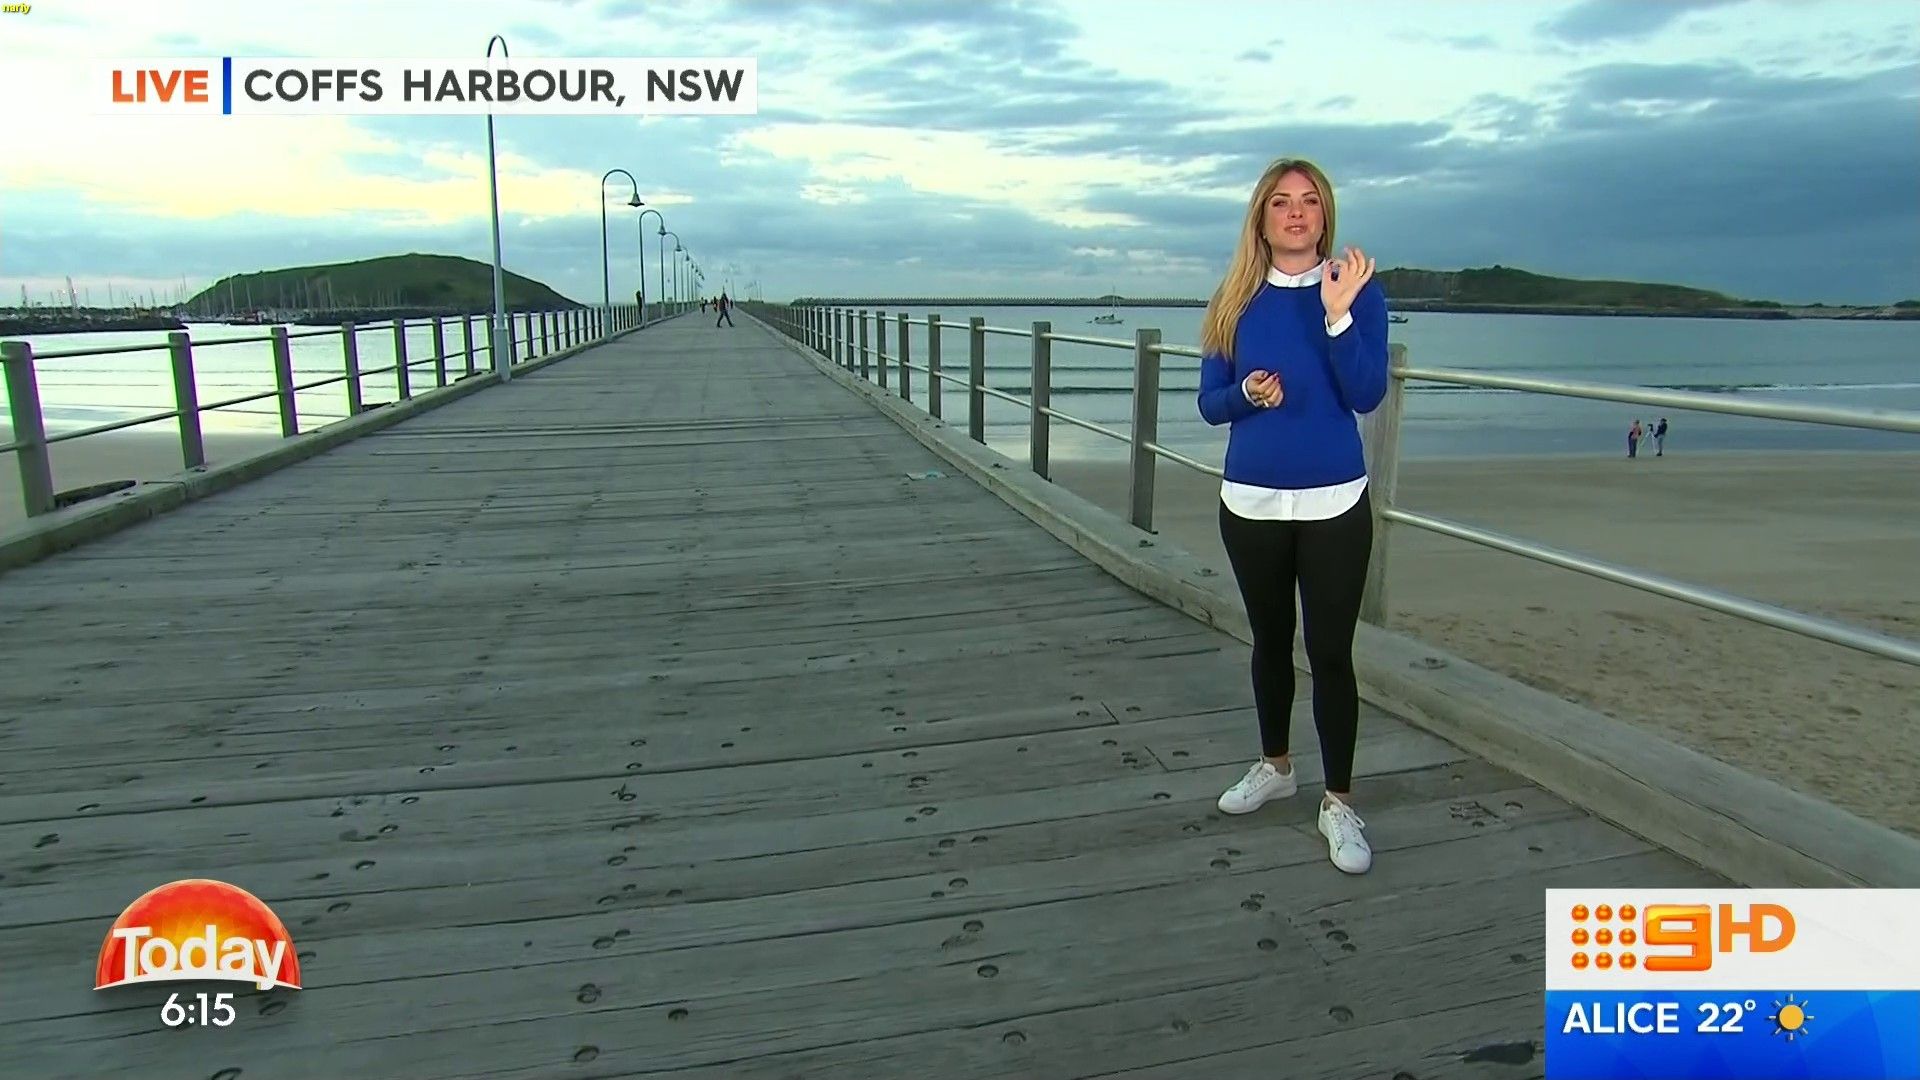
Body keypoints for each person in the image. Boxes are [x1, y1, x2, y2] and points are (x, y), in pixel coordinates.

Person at [1197, 157, 1389, 875]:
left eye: (1309, 200)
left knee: (1331, 653)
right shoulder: (1234, 299)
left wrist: (1338, 315)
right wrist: (1246, 393)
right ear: (1262, 217)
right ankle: (1276, 766)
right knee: (1270, 642)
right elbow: (1210, 403)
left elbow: (1366, 393)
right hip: (1250, 502)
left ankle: (1338, 802)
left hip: (1335, 501)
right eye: (1281, 201)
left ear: (1324, 214)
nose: (1297, 212)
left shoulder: (1358, 291)